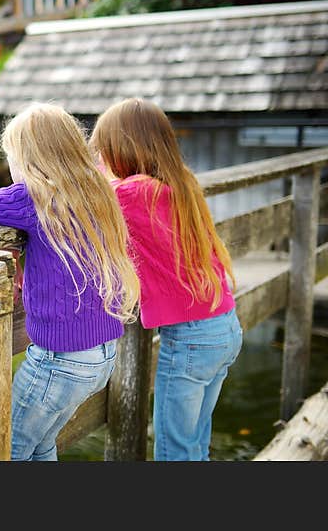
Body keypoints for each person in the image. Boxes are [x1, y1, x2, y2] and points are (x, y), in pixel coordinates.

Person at [0, 102, 140, 461]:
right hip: (102, 356)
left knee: (7, 450)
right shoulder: (98, 191)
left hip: (61, 361)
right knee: (41, 445)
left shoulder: (33, 197)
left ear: (26, 158)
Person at [90, 97, 242, 461]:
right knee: (193, 445)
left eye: (103, 151)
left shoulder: (132, 193)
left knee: (174, 452)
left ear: (121, 150)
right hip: (224, 328)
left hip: (190, 341)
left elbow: (85, 201)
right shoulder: (181, 185)